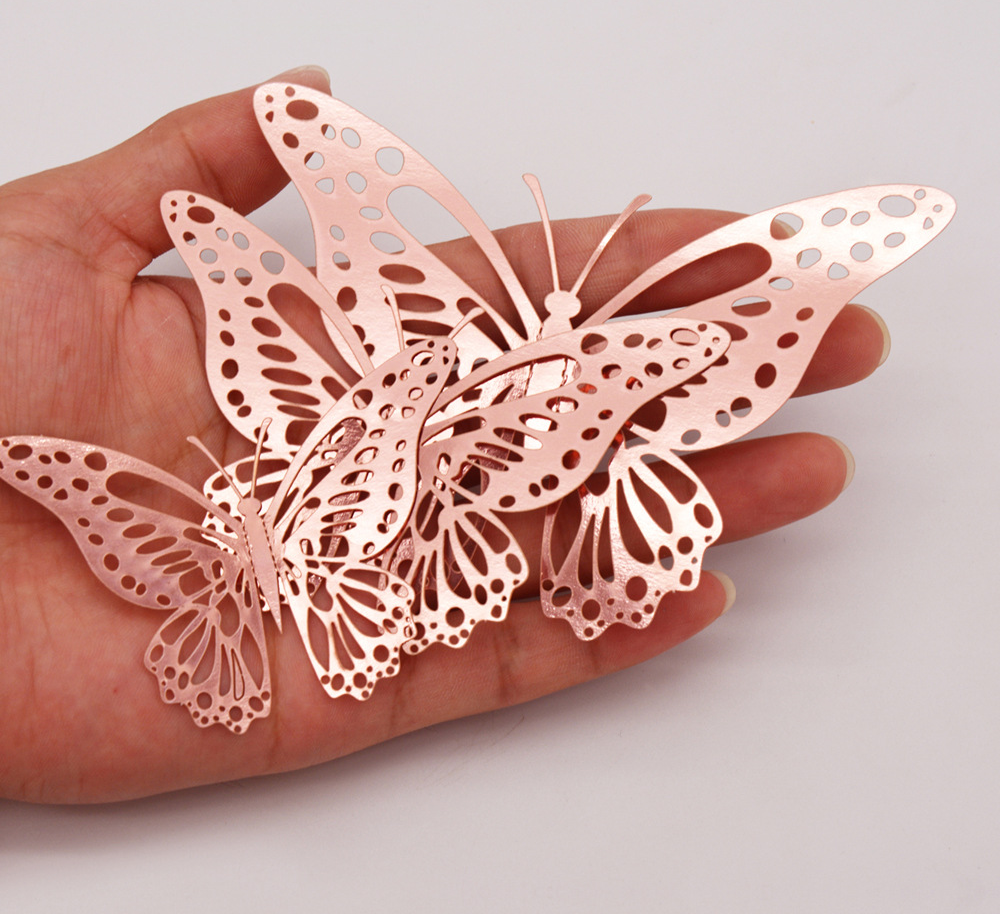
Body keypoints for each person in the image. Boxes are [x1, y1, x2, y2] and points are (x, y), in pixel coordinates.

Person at [0, 66, 886, 804]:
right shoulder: (392, 408)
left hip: (526, 468)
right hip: (410, 479)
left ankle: (546, 513)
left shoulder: (401, 394)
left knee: (595, 468)